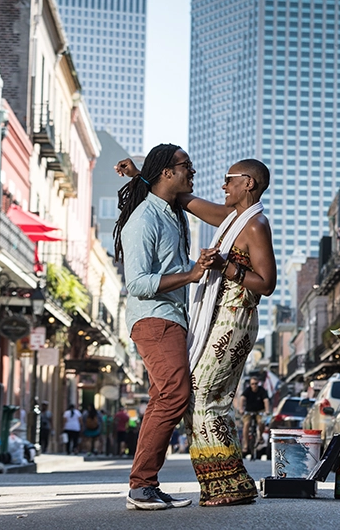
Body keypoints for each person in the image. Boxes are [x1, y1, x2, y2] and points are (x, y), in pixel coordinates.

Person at [113, 143, 217, 511]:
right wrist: (190, 274)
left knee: (163, 397)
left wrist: (200, 266)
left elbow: (172, 264)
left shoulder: (174, 214)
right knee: (175, 394)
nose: (193, 171)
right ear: (167, 173)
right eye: (186, 165)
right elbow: (138, 282)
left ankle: (146, 485)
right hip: (154, 318)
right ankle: (141, 486)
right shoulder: (144, 219)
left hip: (172, 317)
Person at [180, 159, 276, 507]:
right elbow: (187, 200)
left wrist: (227, 267)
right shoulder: (233, 220)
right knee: (201, 396)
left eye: (229, 180)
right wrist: (144, 178)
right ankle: (224, 483)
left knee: (203, 395)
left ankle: (230, 484)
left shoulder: (256, 225)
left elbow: (267, 283)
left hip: (235, 321)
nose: (223, 186)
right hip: (221, 319)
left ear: (248, 183)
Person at [240, 375, 270, 458]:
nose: (254, 385)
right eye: (252, 384)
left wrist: (267, 410)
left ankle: (260, 437)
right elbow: (242, 398)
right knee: (246, 424)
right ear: (250, 384)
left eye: (256, 383)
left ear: (258, 383)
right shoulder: (247, 390)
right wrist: (241, 409)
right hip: (249, 411)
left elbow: (266, 400)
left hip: (259, 411)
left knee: (261, 422)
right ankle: (246, 444)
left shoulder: (262, 390)